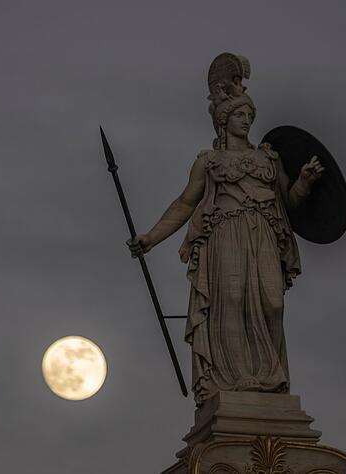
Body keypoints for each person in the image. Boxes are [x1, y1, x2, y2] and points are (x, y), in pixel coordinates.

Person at [127, 55, 325, 405]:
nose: (246, 121)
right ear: (223, 120)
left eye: (249, 115)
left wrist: (305, 183)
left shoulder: (268, 158)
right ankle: (236, 382)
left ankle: (271, 378)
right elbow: (185, 204)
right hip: (225, 234)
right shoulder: (209, 162)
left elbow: (289, 204)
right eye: (239, 115)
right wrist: (151, 238)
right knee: (230, 303)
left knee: (273, 304)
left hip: (262, 233)